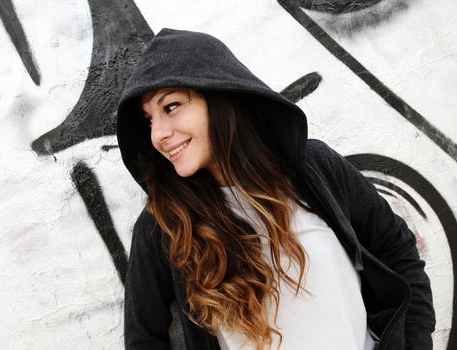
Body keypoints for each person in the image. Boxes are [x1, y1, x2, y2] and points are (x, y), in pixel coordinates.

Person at [116, 28, 435, 350]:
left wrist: (415, 343)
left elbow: (396, 248)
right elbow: (144, 339)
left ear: (220, 96)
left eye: (171, 107)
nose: (158, 134)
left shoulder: (314, 170)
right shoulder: (164, 225)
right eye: (148, 121)